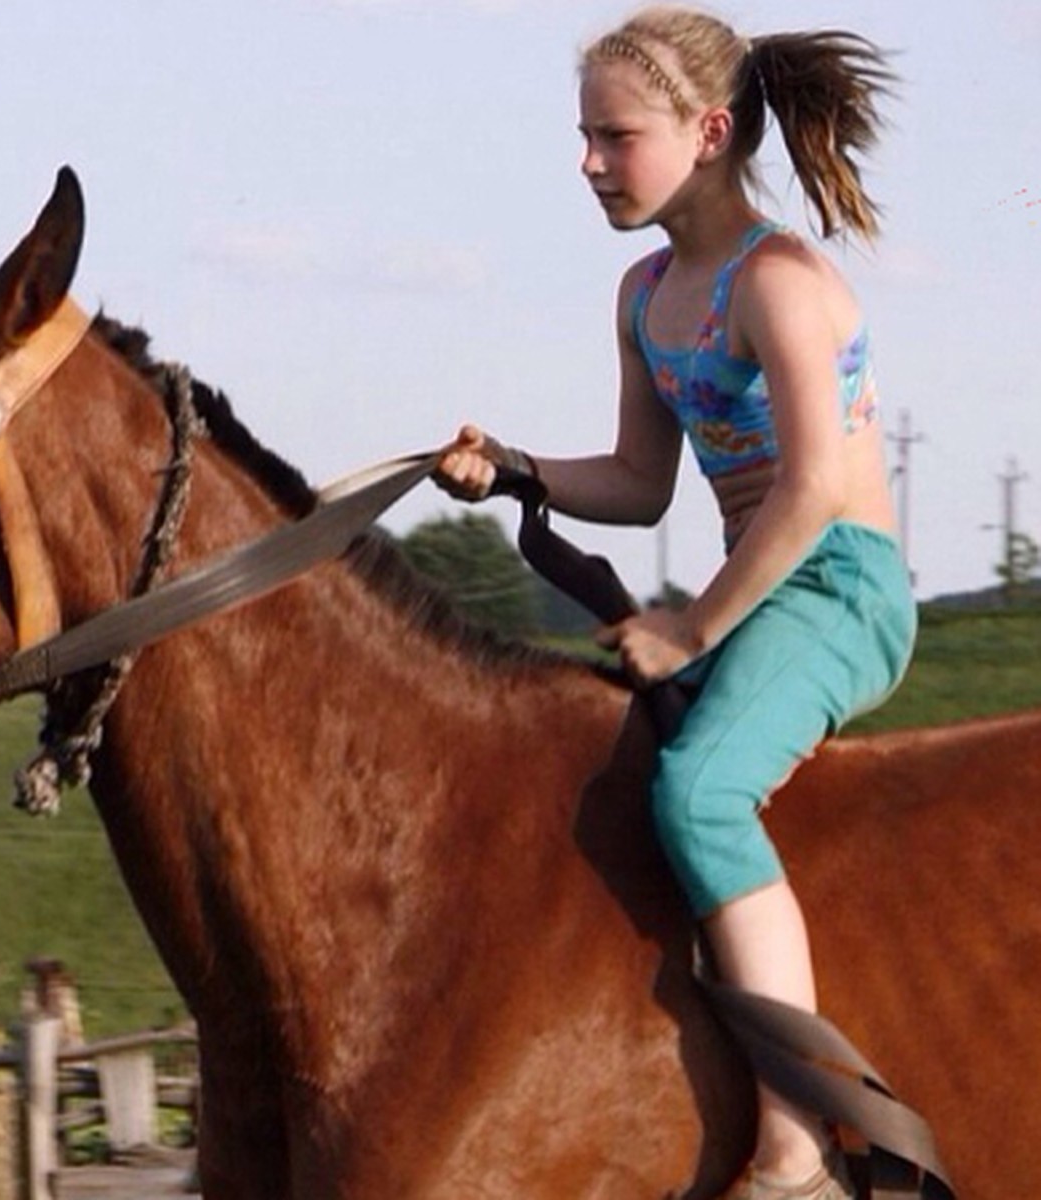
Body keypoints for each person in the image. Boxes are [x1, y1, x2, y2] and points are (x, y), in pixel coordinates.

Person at [434, 7, 916, 1199]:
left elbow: (808, 493)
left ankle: (803, 1145)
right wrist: (521, 469)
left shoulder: (783, 284)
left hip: (840, 588)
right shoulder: (646, 295)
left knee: (699, 792)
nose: (590, 162)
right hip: (751, 588)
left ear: (707, 133)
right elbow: (642, 485)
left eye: (614, 136)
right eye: (584, 136)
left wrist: (694, 628)